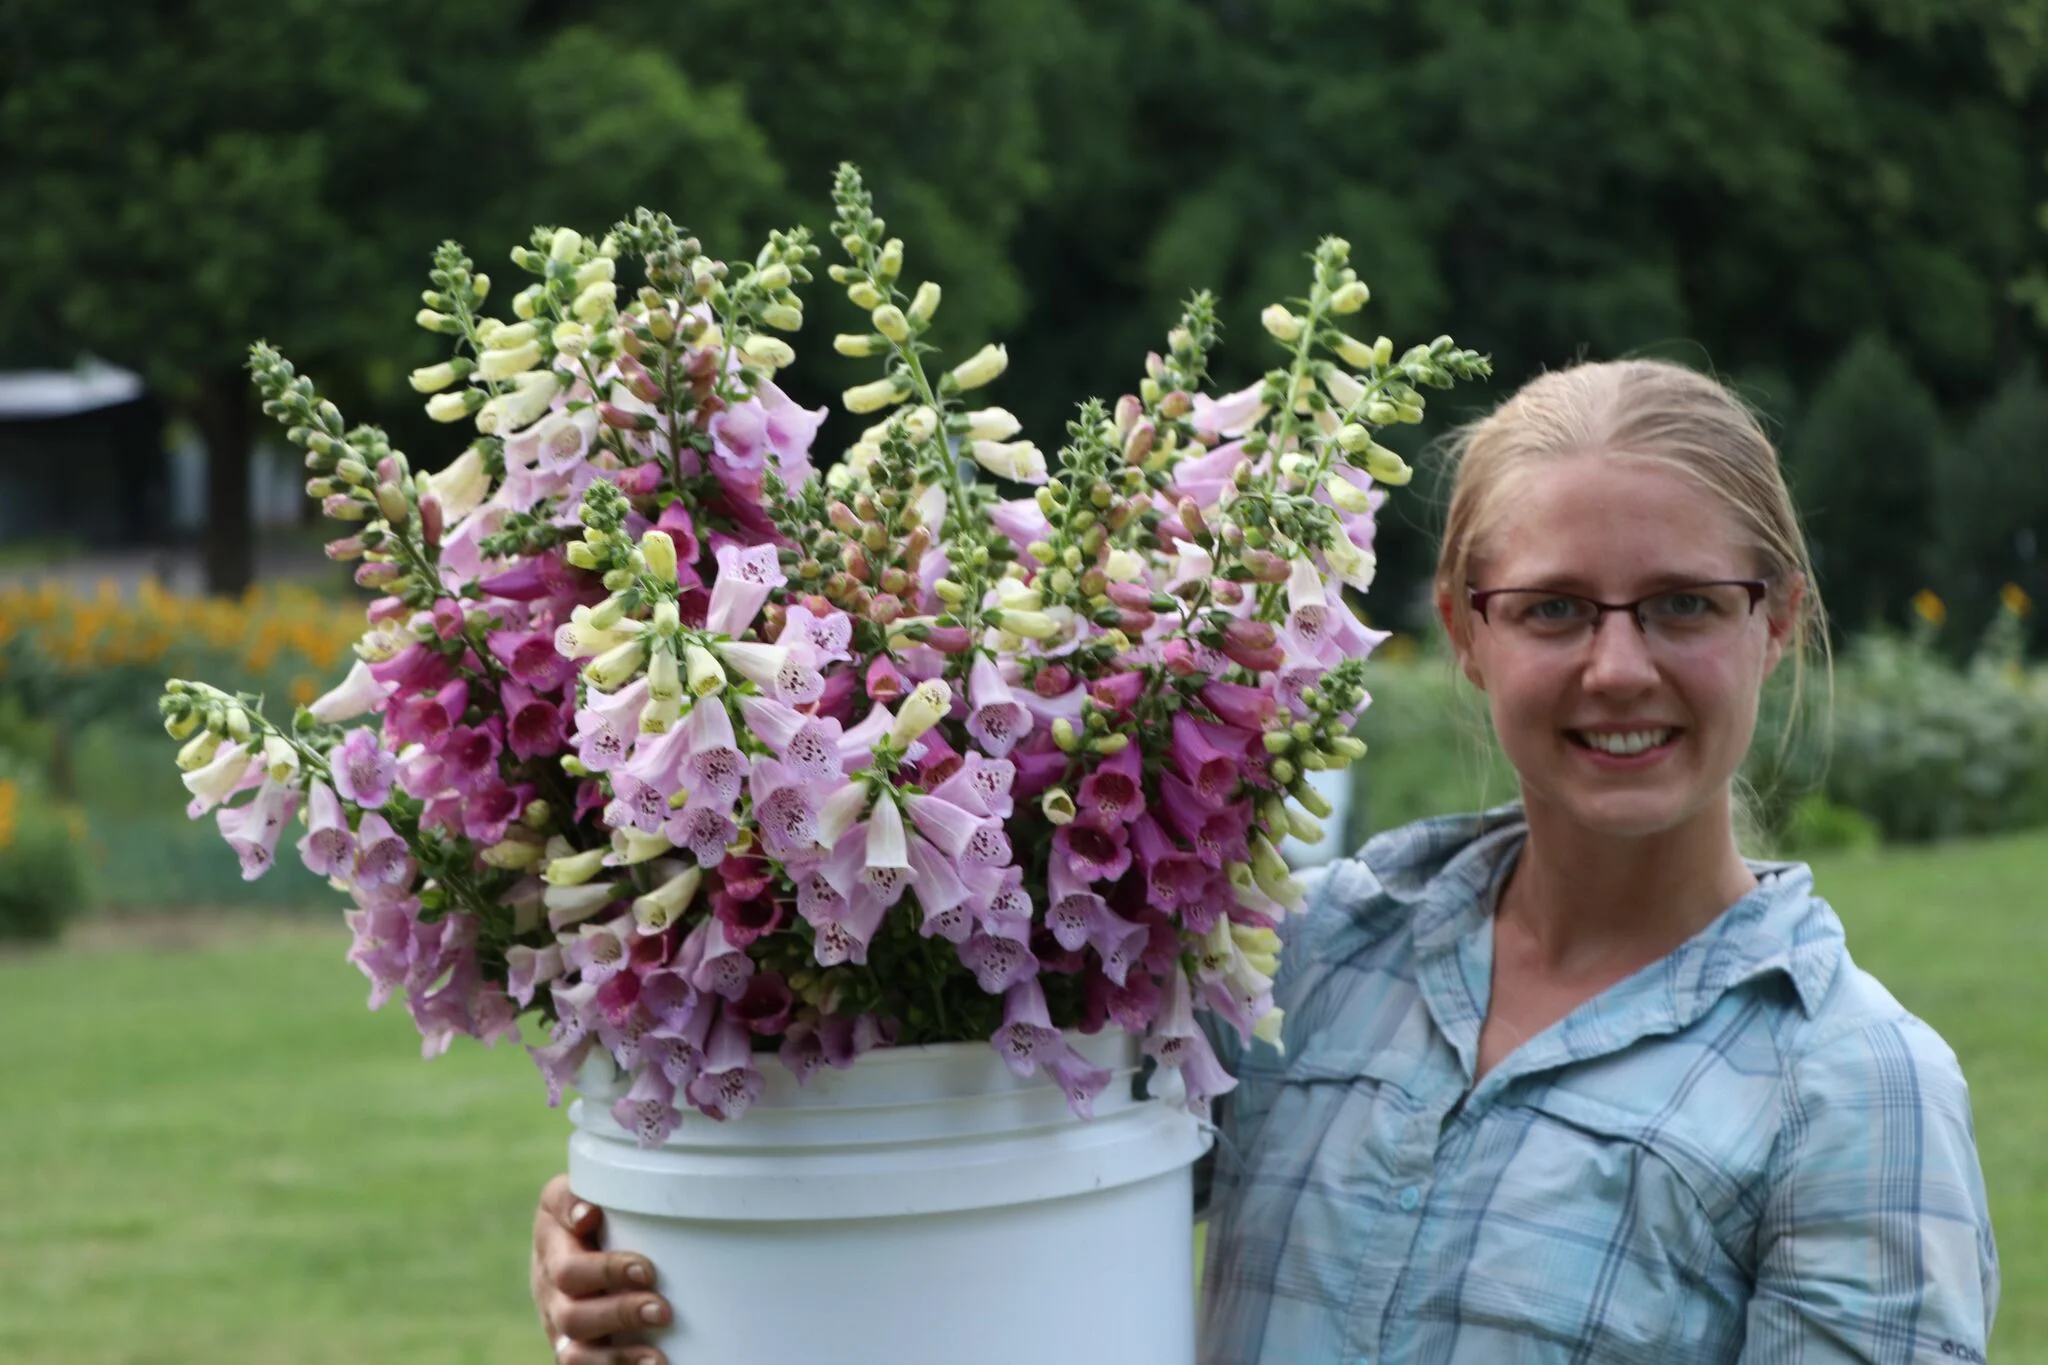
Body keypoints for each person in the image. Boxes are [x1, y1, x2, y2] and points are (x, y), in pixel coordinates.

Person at [531, 359, 1999, 1364]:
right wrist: (643, 1259)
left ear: (1775, 621)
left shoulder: (1851, 1089)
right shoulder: (1308, 956)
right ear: (1466, 628)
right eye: (1554, 610)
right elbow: (978, 1218)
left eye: (1683, 605)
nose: (1620, 668)